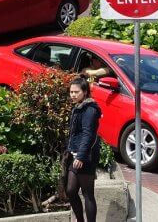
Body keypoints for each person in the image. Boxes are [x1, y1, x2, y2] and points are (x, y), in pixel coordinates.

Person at [64, 77, 101, 222]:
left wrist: (80, 156)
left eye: (76, 92)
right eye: (71, 92)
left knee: (87, 193)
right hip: (75, 153)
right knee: (71, 191)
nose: (73, 95)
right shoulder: (78, 107)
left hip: (86, 156)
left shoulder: (89, 110)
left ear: (84, 92)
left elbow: (88, 134)